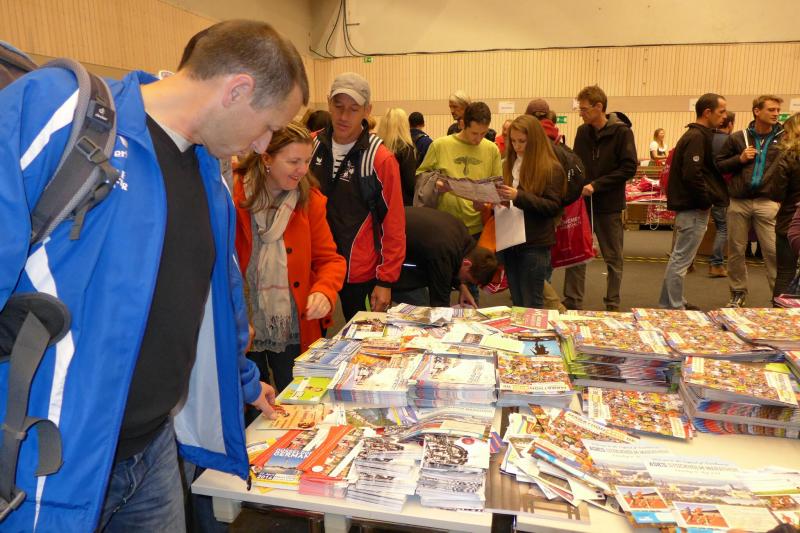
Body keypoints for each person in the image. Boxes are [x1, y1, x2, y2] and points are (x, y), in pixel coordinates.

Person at [0, 19, 307, 531]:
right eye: (269, 126)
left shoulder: (209, 173)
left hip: (153, 450)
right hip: (53, 453)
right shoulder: (61, 110)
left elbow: (212, 302)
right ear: (237, 90)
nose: (263, 145)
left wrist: (244, 381)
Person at [233, 122, 346, 393]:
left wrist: (324, 290)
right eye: (294, 161)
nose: (303, 170)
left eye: (306, 161)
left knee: (295, 396)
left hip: (293, 324)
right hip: (243, 320)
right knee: (248, 400)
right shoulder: (232, 195)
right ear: (267, 158)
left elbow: (330, 260)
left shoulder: (309, 201)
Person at [308, 72, 406, 321]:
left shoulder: (380, 158)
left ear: (367, 110)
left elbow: (394, 224)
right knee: (313, 338)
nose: (343, 116)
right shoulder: (309, 147)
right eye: (338, 106)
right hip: (315, 269)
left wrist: (385, 280)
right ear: (328, 103)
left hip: (361, 272)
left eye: (353, 109)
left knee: (366, 338)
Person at [565, 85, 638, 311]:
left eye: (584, 109)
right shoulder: (582, 132)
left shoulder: (622, 133)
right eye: (580, 109)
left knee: (613, 258)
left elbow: (628, 168)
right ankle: (572, 301)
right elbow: (577, 164)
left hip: (609, 207)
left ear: (599, 107)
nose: (581, 113)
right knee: (577, 254)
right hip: (583, 204)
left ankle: (612, 303)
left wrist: (597, 185)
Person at [659, 93, 729, 309]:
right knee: (681, 259)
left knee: (680, 258)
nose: (724, 116)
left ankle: (672, 301)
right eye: (721, 112)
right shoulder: (697, 136)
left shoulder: (697, 135)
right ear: (707, 112)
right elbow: (692, 174)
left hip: (691, 207)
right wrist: (705, 201)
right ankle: (673, 305)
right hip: (693, 208)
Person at [716, 94, 785, 307]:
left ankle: (779, 297)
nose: (776, 114)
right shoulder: (738, 138)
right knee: (736, 250)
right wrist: (740, 159)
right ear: (757, 111)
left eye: (777, 110)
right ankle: (737, 292)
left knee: (772, 251)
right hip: (739, 201)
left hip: (768, 202)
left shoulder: (784, 138)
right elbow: (719, 165)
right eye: (771, 110)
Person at [495, 115, 566, 307]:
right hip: (510, 240)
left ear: (534, 140)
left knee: (532, 303)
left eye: (522, 141)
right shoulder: (508, 164)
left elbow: (552, 207)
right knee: (518, 302)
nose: (517, 146)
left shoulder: (551, 168)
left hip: (534, 242)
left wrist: (518, 196)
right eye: (513, 141)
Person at [417, 101, 503, 239]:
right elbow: (421, 176)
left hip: (478, 226)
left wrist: (486, 203)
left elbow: (496, 186)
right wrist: (436, 185)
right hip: (445, 224)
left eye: (483, 133)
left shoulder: (492, 150)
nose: (478, 139)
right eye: (474, 133)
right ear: (463, 125)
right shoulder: (440, 145)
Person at [393, 207, 498, 307]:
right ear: (467, 263)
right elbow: (440, 304)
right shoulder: (444, 254)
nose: (465, 282)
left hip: (397, 224)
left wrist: (461, 287)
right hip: (389, 247)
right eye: (467, 280)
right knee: (422, 307)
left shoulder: (462, 236)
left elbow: (455, 263)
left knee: (422, 300)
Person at [769, 113, 800, 297]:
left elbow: (777, 193)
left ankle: (780, 310)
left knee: (785, 273)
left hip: (790, 221)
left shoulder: (787, 157)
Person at [709, 111, 736, 277]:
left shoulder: (706, 138)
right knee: (723, 228)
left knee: (696, 227)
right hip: (721, 191)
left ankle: (689, 263)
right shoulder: (730, 141)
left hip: (704, 189)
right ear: (730, 124)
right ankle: (716, 264)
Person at [377, 107, 418, 206]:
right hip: (401, 203)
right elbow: (410, 184)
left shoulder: (377, 148)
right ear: (404, 125)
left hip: (380, 202)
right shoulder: (405, 149)